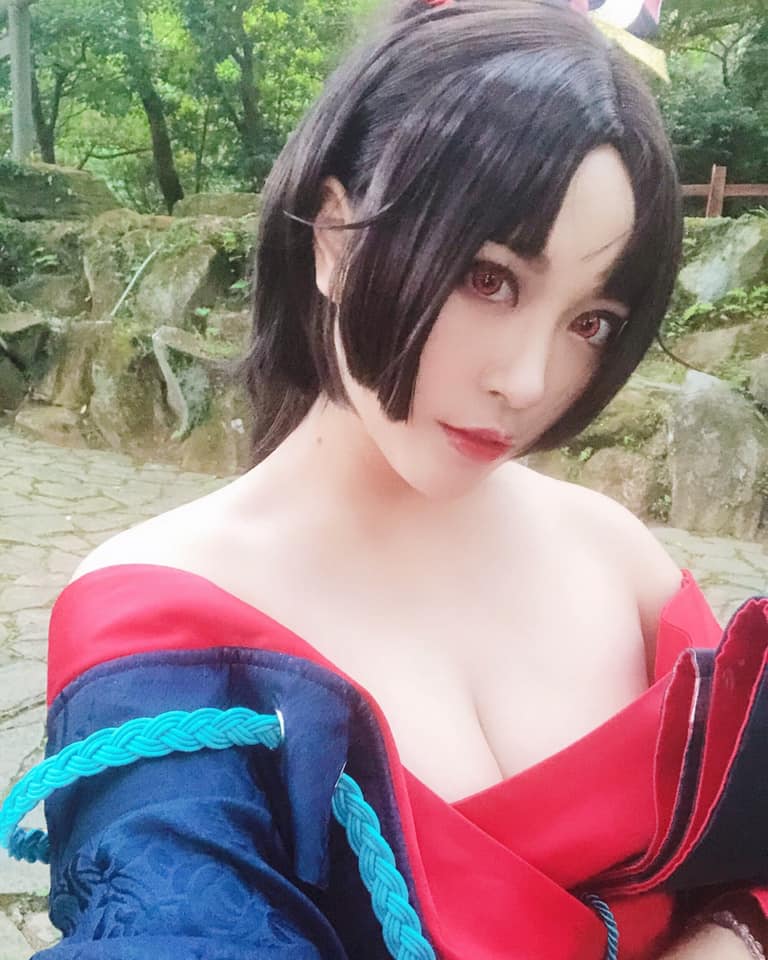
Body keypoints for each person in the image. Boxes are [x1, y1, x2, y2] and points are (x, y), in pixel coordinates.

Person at [14, 0, 768, 957]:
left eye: (591, 322)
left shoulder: (616, 555)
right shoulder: (157, 622)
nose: (528, 380)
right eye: (488, 278)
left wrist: (734, 930)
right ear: (334, 237)